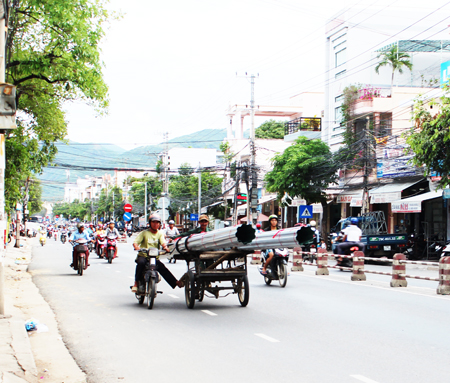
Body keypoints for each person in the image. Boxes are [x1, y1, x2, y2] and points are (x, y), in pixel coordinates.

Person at [131, 214, 183, 293]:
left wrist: (165, 248)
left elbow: (163, 243)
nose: (155, 224)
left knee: (162, 268)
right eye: (153, 222)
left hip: (154, 257)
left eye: (157, 222)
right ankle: (136, 283)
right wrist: (136, 247)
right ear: (150, 223)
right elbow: (136, 242)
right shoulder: (144, 233)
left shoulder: (160, 233)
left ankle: (175, 282)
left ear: (160, 224)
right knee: (141, 263)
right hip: (144, 256)